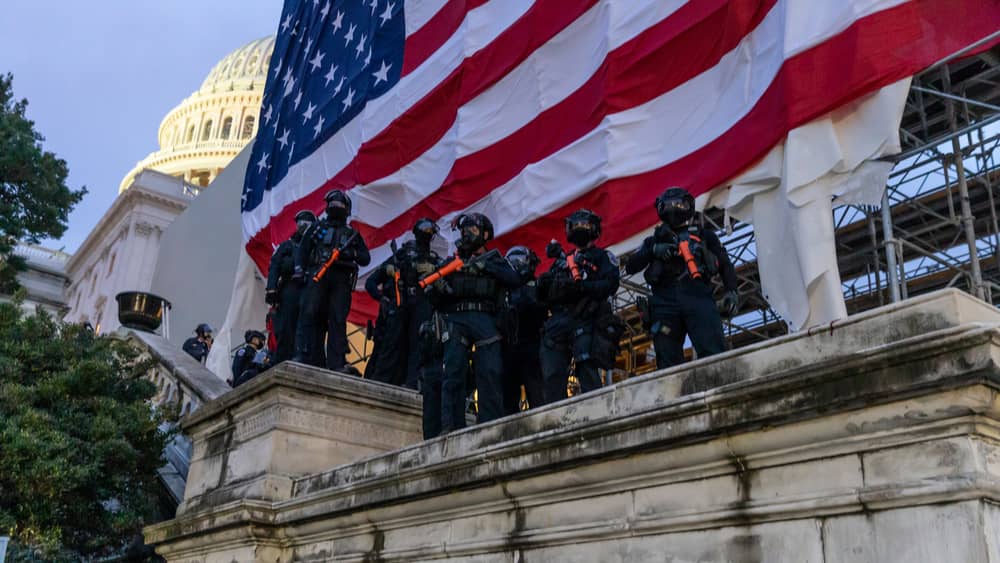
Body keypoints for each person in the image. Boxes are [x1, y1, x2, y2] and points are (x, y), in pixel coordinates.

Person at [424, 213, 520, 435]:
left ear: (485, 235)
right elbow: (432, 297)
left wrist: (485, 267)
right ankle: (451, 427)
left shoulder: (494, 260)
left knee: (489, 372)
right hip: (456, 319)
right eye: (465, 230)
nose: (467, 234)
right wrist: (437, 288)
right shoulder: (452, 262)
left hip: (485, 319)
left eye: (473, 230)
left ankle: (489, 426)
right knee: (453, 374)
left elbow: (514, 280)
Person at [624, 187, 739, 369]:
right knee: (667, 362)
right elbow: (631, 266)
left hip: (698, 296)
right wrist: (653, 250)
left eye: (678, 204)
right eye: (668, 205)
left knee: (713, 354)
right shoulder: (653, 241)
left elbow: (724, 264)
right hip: (664, 303)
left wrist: (732, 291)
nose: (673, 208)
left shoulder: (704, 236)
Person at [537, 209, 622, 405]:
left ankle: (595, 410)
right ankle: (555, 414)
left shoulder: (601, 257)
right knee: (551, 373)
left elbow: (611, 284)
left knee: (587, 369)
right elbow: (544, 299)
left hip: (585, 319)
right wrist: (544, 286)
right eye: (575, 225)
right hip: (558, 322)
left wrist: (583, 287)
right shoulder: (562, 262)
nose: (579, 229)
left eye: (584, 225)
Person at [293, 189, 371, 372]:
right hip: (318, 275)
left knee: (337, 319)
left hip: (341, 280)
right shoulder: (317, 228)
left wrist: (350, 253)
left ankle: (336, 363)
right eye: (333, 204)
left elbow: (365, 258)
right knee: (310, 315)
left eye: (340, 204)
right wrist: (300, 272)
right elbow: (303, 250)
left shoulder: (351, 234)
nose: (336, 206)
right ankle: (306, 356)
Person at [364, 218, 442, 389]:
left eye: (430, 231)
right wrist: (383, 298)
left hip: (421, 307)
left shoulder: (434, 261)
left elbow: (446, 286)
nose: (427, 234)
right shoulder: (400, 256)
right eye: (425, 230)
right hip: (399, 307)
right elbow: (371, 282)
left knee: (418, 345)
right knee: (390, 345)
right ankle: (379, 381)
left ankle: (412, 383)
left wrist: (435, 273)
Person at [265, 209, 316, 364]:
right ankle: (282, 359)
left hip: (310, 290)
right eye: (301, 223)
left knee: (308, 327)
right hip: (290, 289)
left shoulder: (316, 247)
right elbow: (274, 266)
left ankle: (304, 358)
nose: (303, 227)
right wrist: (271, 289)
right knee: (286, 326)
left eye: (307, 224)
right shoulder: (287, 246)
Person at [500, 245, 546, 413]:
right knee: (508, 399)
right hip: (509, 348)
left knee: (536, 395)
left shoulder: (537, 286)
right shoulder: (504, 290)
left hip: (531, 346)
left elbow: (540, 312)